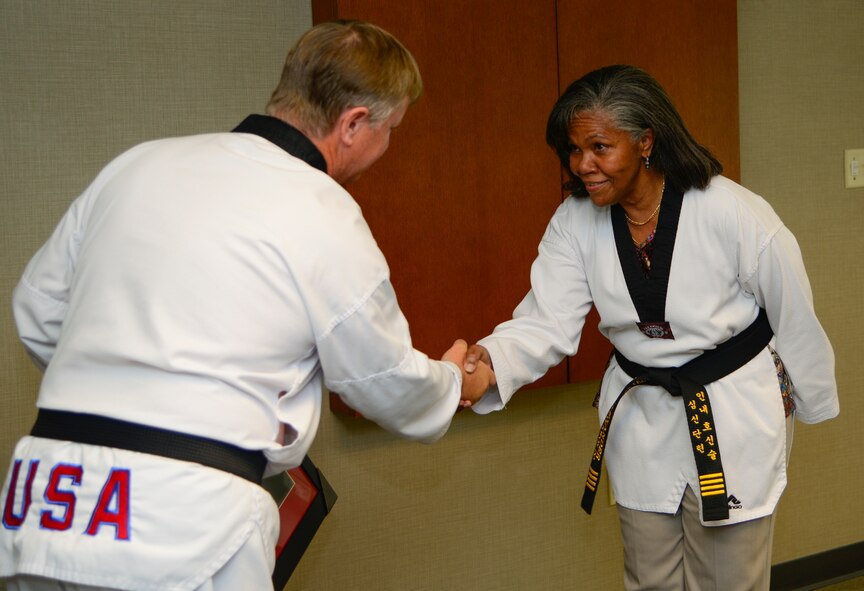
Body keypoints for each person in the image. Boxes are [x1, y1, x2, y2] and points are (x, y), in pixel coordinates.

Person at [0, 19, 493, 591]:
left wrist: (122, 389)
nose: (388, 147)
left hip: (47, 504)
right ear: (355, 124)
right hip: (180, 526)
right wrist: (455, 383)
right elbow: (381, 376)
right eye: (392, 130)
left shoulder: (137, 164)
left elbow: (37, 312)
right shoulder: (320, 210)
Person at [464, 65, 838, 590]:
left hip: (729, 410)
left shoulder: (730, 210)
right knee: (649, 578)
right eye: (573, 150)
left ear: (645, 142)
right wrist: (485, 368)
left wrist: (811, 397)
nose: (583, 165)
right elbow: (546, 320)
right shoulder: (574, 222)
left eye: (599, 147)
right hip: (641, 415)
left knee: (727, 580)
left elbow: (792, 309)